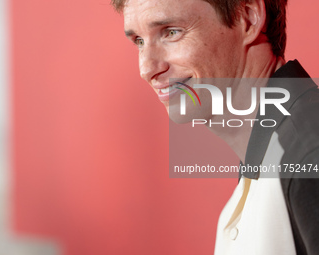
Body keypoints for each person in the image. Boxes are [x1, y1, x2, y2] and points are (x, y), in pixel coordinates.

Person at [111, 0, 319, 254]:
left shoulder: (308, 155)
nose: (147, 69)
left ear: (248, 18)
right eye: (139, 41)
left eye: (171, 32)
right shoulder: (275, 156)